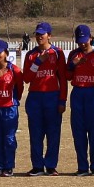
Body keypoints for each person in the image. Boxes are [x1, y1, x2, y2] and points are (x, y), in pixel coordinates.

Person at [23, 22, 69, 176]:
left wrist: (62, 100)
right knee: (35, 133)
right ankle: (37, 166)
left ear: (49, 36)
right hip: (35, 97)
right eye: (37, 34)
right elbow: (27, 78)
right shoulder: (31, 55)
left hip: (52, 96)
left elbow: (63, 79)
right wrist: (38, 62)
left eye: (42, 34)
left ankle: (50, 165)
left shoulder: (58, 53)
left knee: (53, 133)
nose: (39, 37)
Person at [66, 25, 94, 176]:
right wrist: (73, 64)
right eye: (79, 41)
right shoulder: (73, 54)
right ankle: (82, 167)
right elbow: (67, 76)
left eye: (85, 40)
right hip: (78, 94)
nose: (82, 44)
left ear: (90, 38)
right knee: (79, 132)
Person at [0, 39, 24, 177]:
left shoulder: (15, 70)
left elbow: (20, 88)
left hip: (9, 108)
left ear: (6, 53)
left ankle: (9, 166)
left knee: (9, 138)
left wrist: (12, 101)